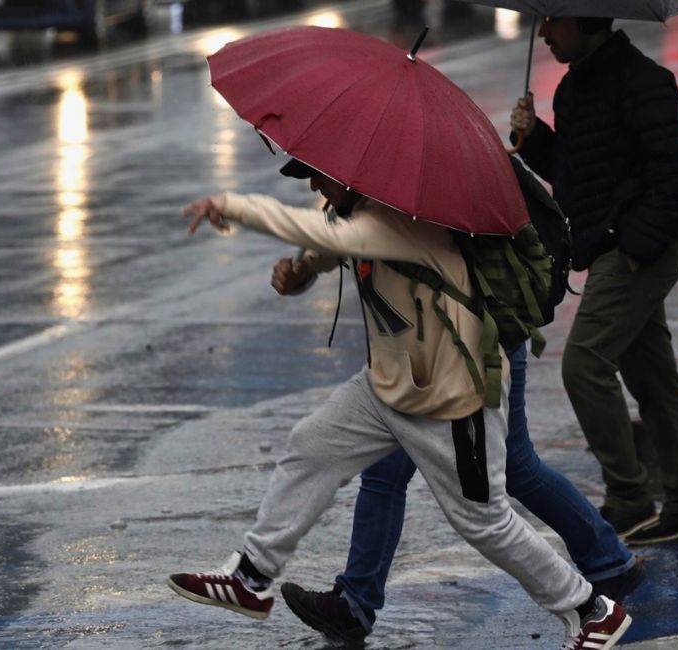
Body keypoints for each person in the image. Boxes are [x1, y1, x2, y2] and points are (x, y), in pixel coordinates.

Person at [170, 158, 632, 650]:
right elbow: (333, 237)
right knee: (311, 445)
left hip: (453, 394)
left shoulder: (395, 220)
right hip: (392, 385)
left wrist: (232, 206)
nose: (312, 184)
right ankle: (251, 576)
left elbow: (332, 232)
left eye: (319, 175)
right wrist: (305, 270)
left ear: (351, 176)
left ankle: (590, 608)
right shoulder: (367, 210)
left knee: (485, 521)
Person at [277, 323, 642, 646]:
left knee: (493, 494)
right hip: (439, 343)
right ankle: (354, 602)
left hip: (463, 344)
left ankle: (595, 590)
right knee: (386, 471)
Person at [510, 16, 678, 545]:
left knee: (584, 365)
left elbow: (672, 178)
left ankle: (629, 497)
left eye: (555, 20)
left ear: (588, 19)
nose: (547, 31)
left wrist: (634, 248)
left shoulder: (644, 81)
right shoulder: (576, 86)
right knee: (653, 376)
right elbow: (577, 177)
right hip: (611, 245)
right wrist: (534, 140)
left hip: (635, 251)